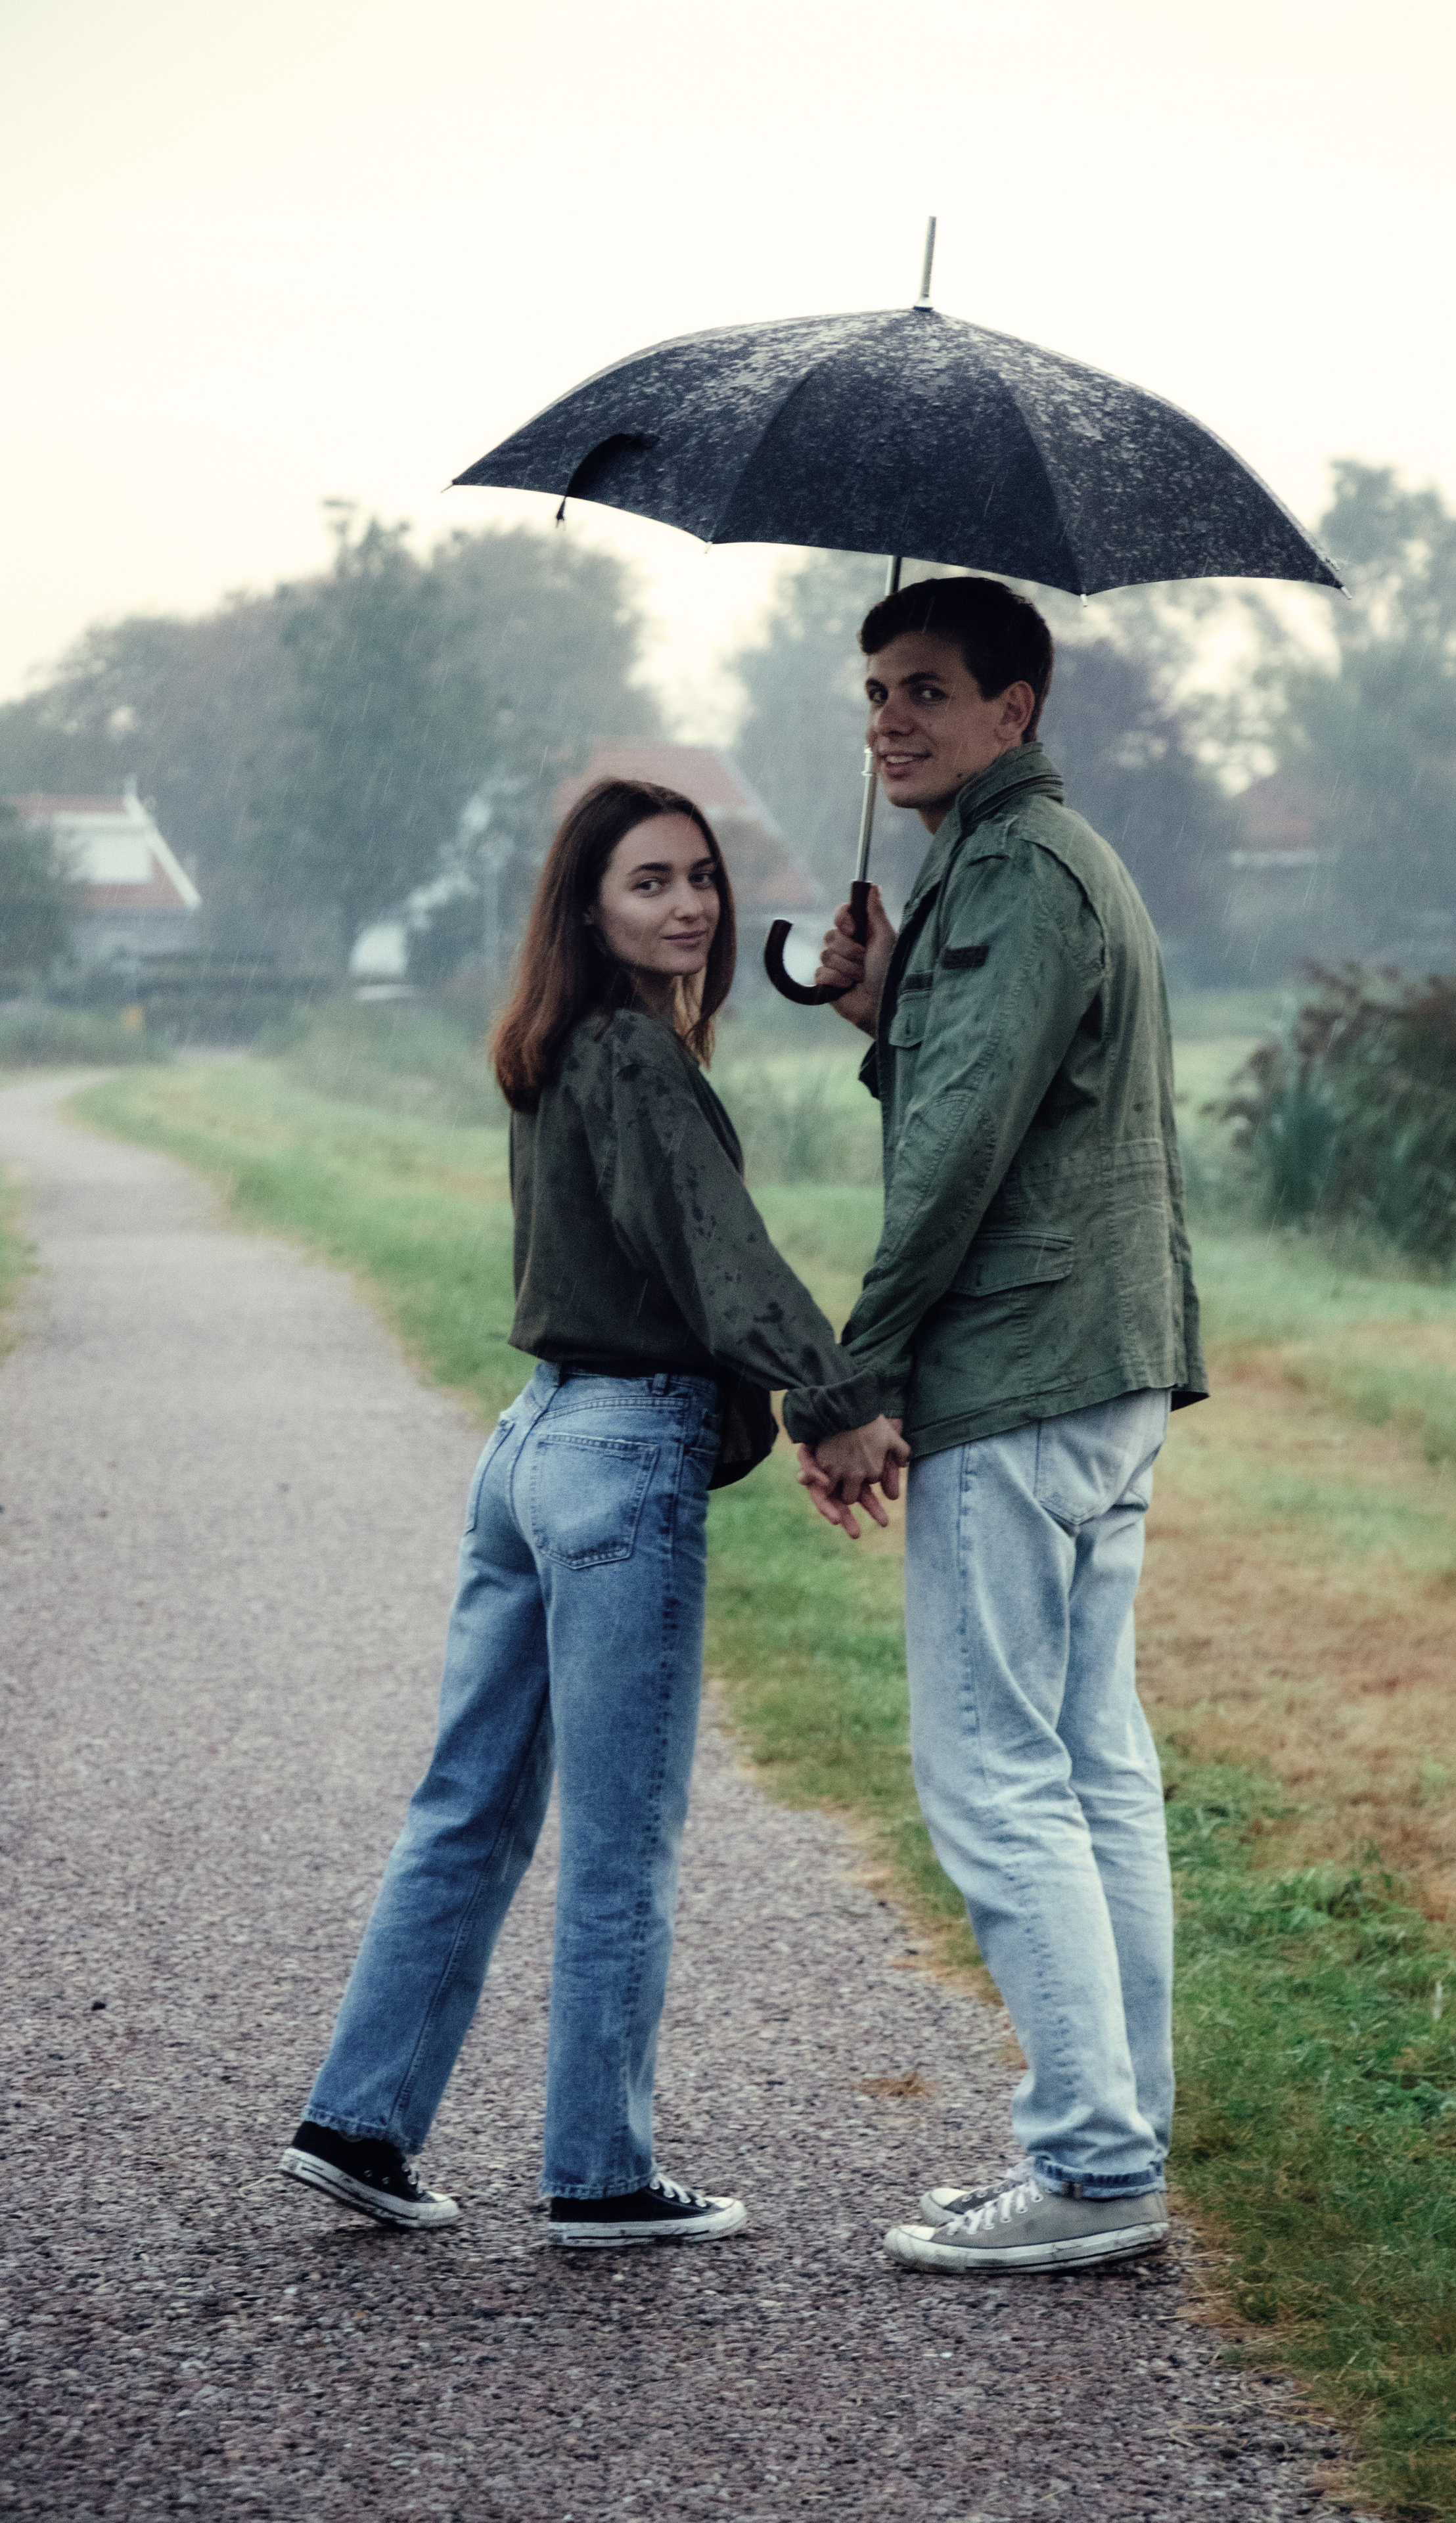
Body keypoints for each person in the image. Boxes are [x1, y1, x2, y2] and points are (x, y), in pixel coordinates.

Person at [282, 777, 906, 2246]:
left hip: (530, 1447)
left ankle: (359, 2122)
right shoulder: (633, 1057)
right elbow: (718, 1255)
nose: (687, 904)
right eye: (648, 883)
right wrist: (831, 1404)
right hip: (620, 1455)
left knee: (470, 1808)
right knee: (619, 1833)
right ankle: (601, 2174)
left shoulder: (557, 1047)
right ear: (586, 906)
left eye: (699, 876)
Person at [786, 576, 1206, 2276]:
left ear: (1014, 711)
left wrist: (849, 1385)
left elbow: (958, 1160)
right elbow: (998, 1092)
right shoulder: (1009, 863)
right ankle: (1116, 2144)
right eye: (879, 691)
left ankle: (1094, 2165)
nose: (891, 718)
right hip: (1096, 1370)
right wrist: (885, 1010)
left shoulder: (1020, 874)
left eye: (931, 691)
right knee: (1092, 1767)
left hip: (1027, 1374)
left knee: (997, 1774)